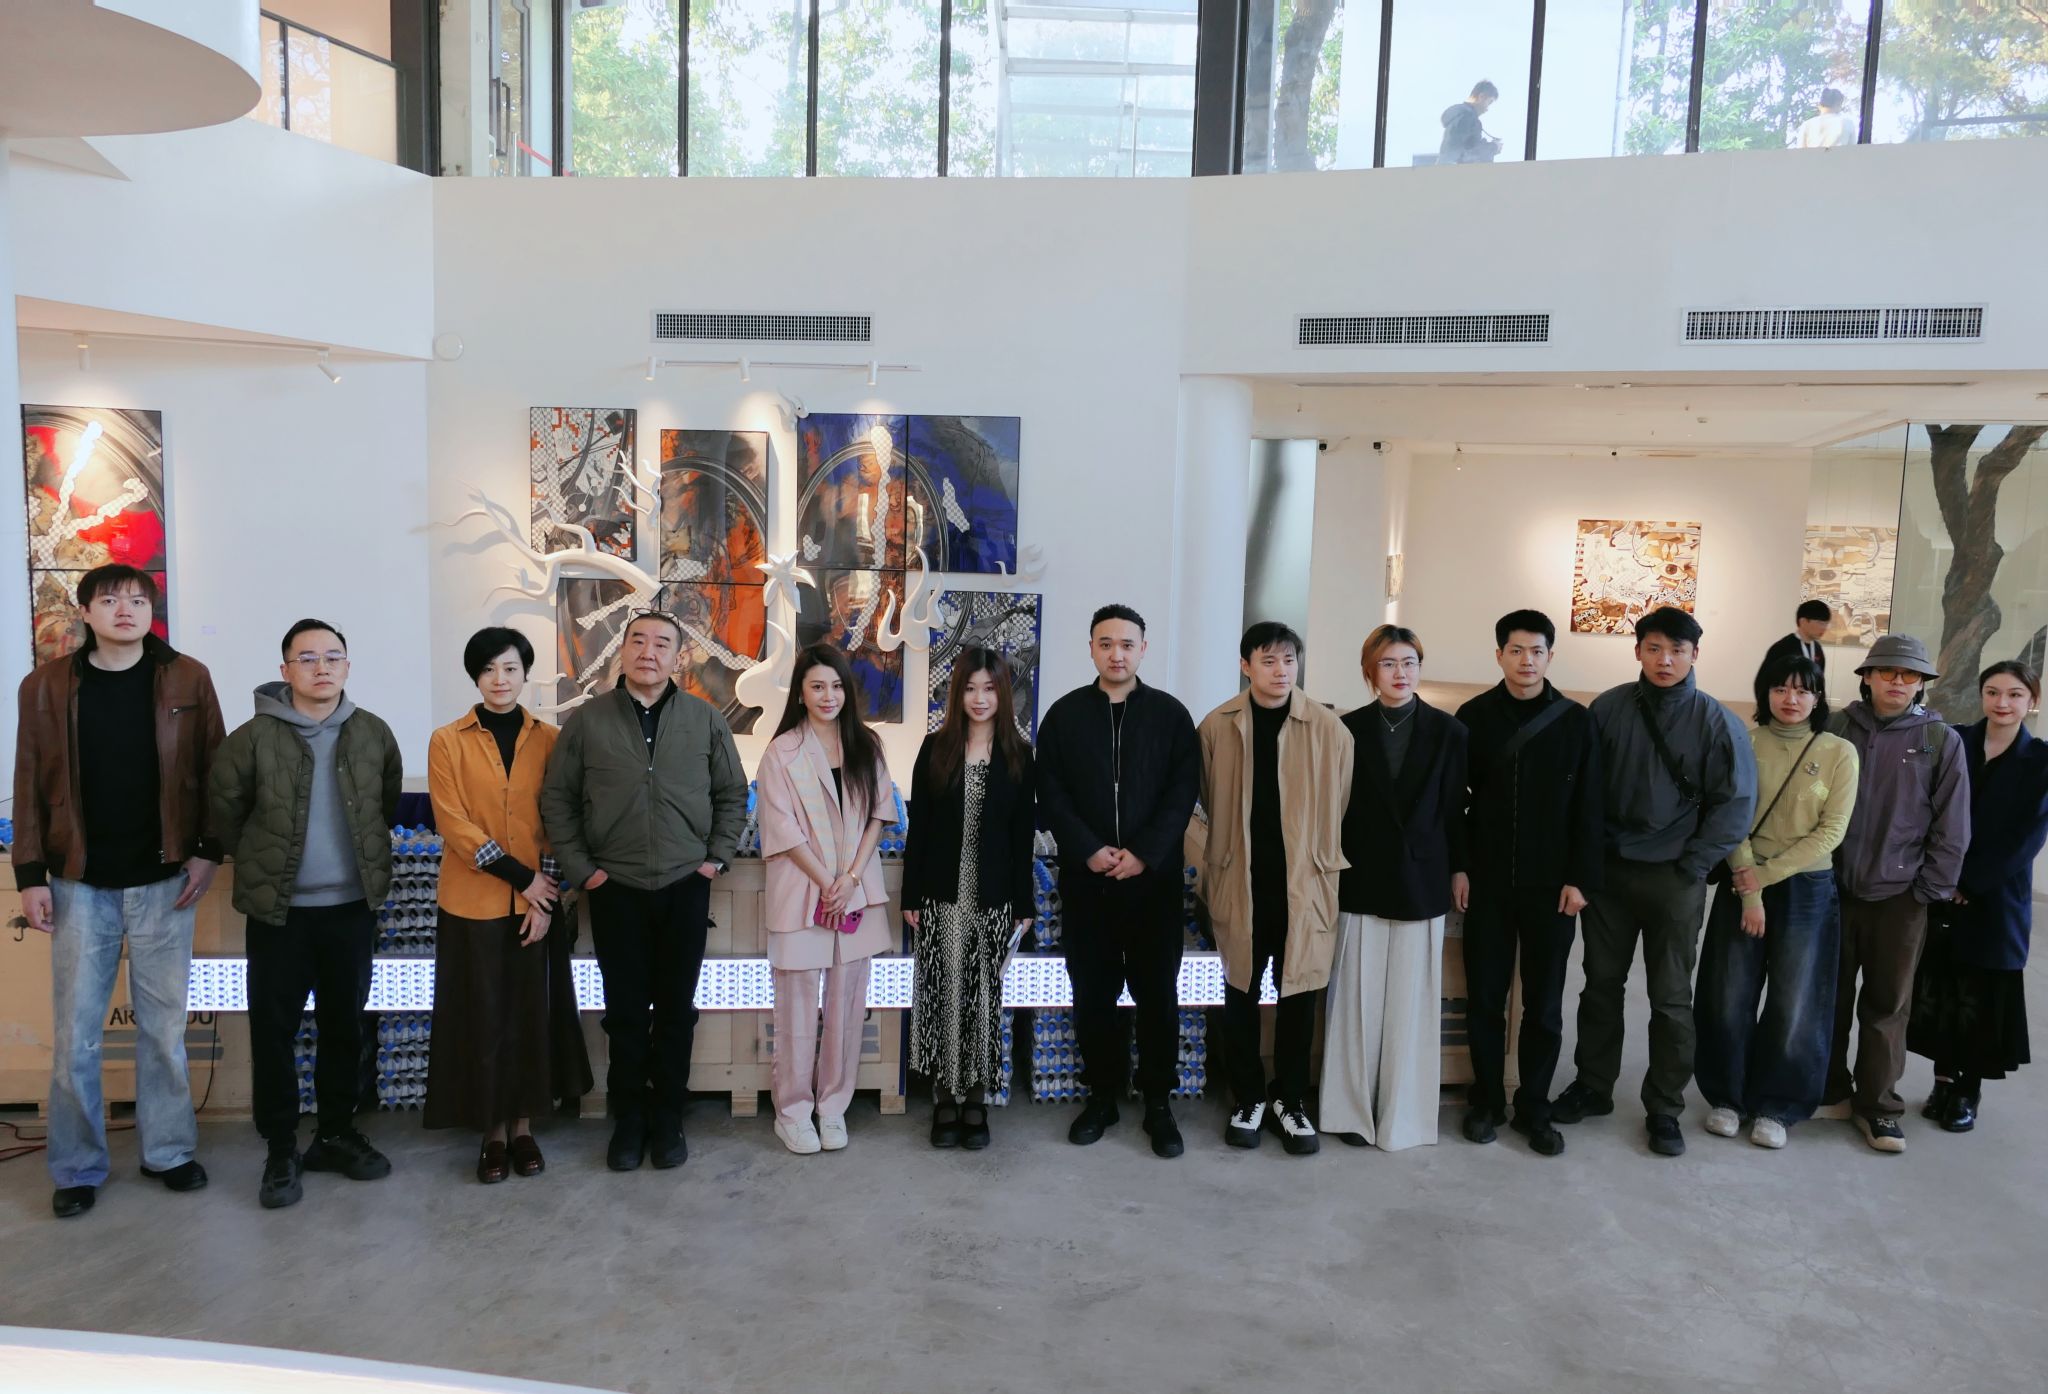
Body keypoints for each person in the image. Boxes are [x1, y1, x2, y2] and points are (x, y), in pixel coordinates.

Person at [13, 565, 225, 1219]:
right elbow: (27, 780)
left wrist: (209, 851)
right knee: (76, 1034)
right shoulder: (46, 685)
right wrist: (29, 874)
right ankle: (76, 1167)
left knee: (162, 1031)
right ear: (86, 612)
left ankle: (169, 1151)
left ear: (151, 610)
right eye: (109, 600)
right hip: (79, 882)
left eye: (137, 599)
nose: (125, 609)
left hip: (165, 881)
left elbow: (215, 769)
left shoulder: (188, 677)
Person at [540, 610, 747, 1173]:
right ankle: (629, 1117)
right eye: (638, 641)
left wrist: (714, 859)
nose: (648, 652)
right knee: (625, 1011)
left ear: (679, 657)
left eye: (661, 643)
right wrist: (584, 870)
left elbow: (733, 793)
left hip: (685, 884)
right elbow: (558, 799)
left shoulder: (705, 719)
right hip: (615, 886)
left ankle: (668, 1116)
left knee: (677, 1010)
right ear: (622, 651)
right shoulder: (589, 721)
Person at [210, 618, 403, 1209]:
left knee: (345, 1027)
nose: (322, 667)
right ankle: (279, 1149)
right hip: (280, 914)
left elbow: (385, 804)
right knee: (275, 1032)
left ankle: (335, 1134)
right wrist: (268, 866)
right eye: (308, 658)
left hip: (350, 910)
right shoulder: (250, 739)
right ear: (285, 669)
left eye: (333, 656)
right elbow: (225, 814)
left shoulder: (373, 733)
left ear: (347, 666)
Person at [1553, 606, 1757, 1158]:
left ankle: (1664, 1106)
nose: (1665, 660)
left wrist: (1694, 866)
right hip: (1611, 876)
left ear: (1695, 655)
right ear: (1638, 651)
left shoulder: (1717, 722)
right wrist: (1588, 863)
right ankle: (1593, 1085)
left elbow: (1735, 806)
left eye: (1677, 650)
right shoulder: (1609, 708)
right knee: (1600, 985)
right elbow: (1585, 791)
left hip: (1676, 878)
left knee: (1670, 998)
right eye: (1654, 648)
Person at [423, 627, 593, 1183]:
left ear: (525, 674)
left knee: (529, 1020)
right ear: (475, 676)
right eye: (489, 669)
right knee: (482, 1018)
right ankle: (491, 1133)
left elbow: (558, 820)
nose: (500, 679)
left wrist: (542, 903)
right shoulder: (447, 740)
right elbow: (453, 823)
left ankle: (523, 1128)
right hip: (471, 903)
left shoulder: (550, 739)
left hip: (536, 905)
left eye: (511, 668)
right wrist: (524, 880)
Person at [1036, 604, 1200, 1159]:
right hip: (1089, 884)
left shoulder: (1170, 716)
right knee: (1092, 995)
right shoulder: (1064, 716)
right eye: (1106, 643)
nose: (1117, 654)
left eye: (1127, 644)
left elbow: (1182, 792)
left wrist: (1145, 854)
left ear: (1143, 649)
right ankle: (1101, 1097)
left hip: (1153, 885)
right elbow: (1050, 791)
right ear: (1091, 648)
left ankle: (1158, 1102)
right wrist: (1087, 849)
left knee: (1158, 996)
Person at [1189, 623, 1352, 1156]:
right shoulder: (1218, 726)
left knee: (1298, 995)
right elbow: (1205, 798)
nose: (1281, 671)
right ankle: (1248, 1097)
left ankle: (1290, 1099)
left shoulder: (1328, 728)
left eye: (1289, 660)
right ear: (1246, 666)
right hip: (1240, 879)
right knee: (1239, 992)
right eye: (1268, 660)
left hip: (1303, 883)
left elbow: (1341, 799)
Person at [1454, 609, 1603, 1157]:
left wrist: (1580, 879)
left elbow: (1590, 806)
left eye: (1537, 651)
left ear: (1550, 656)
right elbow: (1454, 802)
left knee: (1543, 1005)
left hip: (1552, 889)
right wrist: (1460, 866)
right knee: (1484, 999)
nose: (1526, 661)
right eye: (1515, 651)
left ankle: (1534, 1105)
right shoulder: (1473, 717)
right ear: (1499, 655)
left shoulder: (1575, 721)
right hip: (1488, 884)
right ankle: (1487, 1100)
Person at [1694, 653, 1858, 1150]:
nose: (1792, 699)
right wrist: (1750, 889)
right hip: (1743, 879)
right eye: (1781, 689)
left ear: (1817, 697)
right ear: (1765, 693)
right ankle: (1727, 1097)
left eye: (1803, 690)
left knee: (1796, 1001)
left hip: (1806, 889)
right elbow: (1732, 816)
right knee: (1727, 994)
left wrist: (1761, 878)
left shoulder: (1839, 751)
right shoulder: (1745, 742)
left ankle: (1778, 1106)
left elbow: (1832, 831)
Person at [1822, 633, 1968, 1153]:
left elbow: (1953, 825)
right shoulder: (1837, 727)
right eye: (1887, 671)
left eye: (1909, 675)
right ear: (1867, 676)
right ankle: (1829, 1089)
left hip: (1901, 899)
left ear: (1922, 683)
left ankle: (1878, 1107)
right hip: (1834, 891)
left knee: (1888, 1006)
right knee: (1829, 998)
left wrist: (1926, 890)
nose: (1898, 682)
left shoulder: (1939, 740)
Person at [1322, 625, 1466, 1152]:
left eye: (1409, 662)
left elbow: (1455, 812)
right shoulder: (1345, 729)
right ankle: (1350, 1111)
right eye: (1388, 663)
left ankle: (1403, 1117)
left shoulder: (1450, 732)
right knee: (1354, 1000)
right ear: (1370, 671)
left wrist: (1460, 869)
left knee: (1411, 1003)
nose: (1400, 673)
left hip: (1422, 877)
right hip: (1359, 874)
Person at [757, 644, 896, 1155]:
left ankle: (832, 1106)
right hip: (802, 893)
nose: (828, 695)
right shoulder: (781, 752)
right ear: (800, 693)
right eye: (817, 686)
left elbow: (879, 814)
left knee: (847, 1006)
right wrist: (828, 881)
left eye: (836, 686)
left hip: (855, 893)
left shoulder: (866, 745)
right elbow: (782, 829)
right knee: (795, 1010)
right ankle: (792, 1113)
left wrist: (851, 879)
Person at [902, 649, 1036, 1151]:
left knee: (982, 999)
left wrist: (1023, 905)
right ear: (957, 693)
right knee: (941, 995)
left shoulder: (1019, 755)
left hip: (992, 899)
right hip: (939, 896)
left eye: (990, 689)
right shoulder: (934, 748)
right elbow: (919, 828)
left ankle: (976, 1097)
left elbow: (1022, 838)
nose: (980, 699)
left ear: (1003, 694)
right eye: (971, 689)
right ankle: (944, 1097)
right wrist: (911, 893)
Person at [1908, 660, 2042, 1134]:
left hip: (1996, 897)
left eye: (2014, 694)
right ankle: (1942, 1082)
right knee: (1943, 987)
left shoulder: (2040, 760)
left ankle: (1968, 1089)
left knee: (1981, 993)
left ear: (2032, 702)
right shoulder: (1956, 740)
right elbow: (1926, 807)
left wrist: (1970, 882)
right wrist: (1945, 877)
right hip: (1942, 887)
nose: (2002, 703)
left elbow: (2027, 838)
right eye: (1992, 692)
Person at [1761, 600, 1831, 685]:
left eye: (1826, 624)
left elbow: (1820, 680)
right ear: (1803, 621)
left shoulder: (1817, 649)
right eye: (1820, 623)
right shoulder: (1782, 647)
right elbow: (1763, 682)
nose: (1824, 628)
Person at [1439, 80, 1503, 165]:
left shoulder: (1460, 115)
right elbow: (1462, 155)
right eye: (1489, 102)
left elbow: (1463, 149)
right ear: (1481, 97)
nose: (1488, 109)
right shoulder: (1467, 117)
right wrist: (1493, 147)